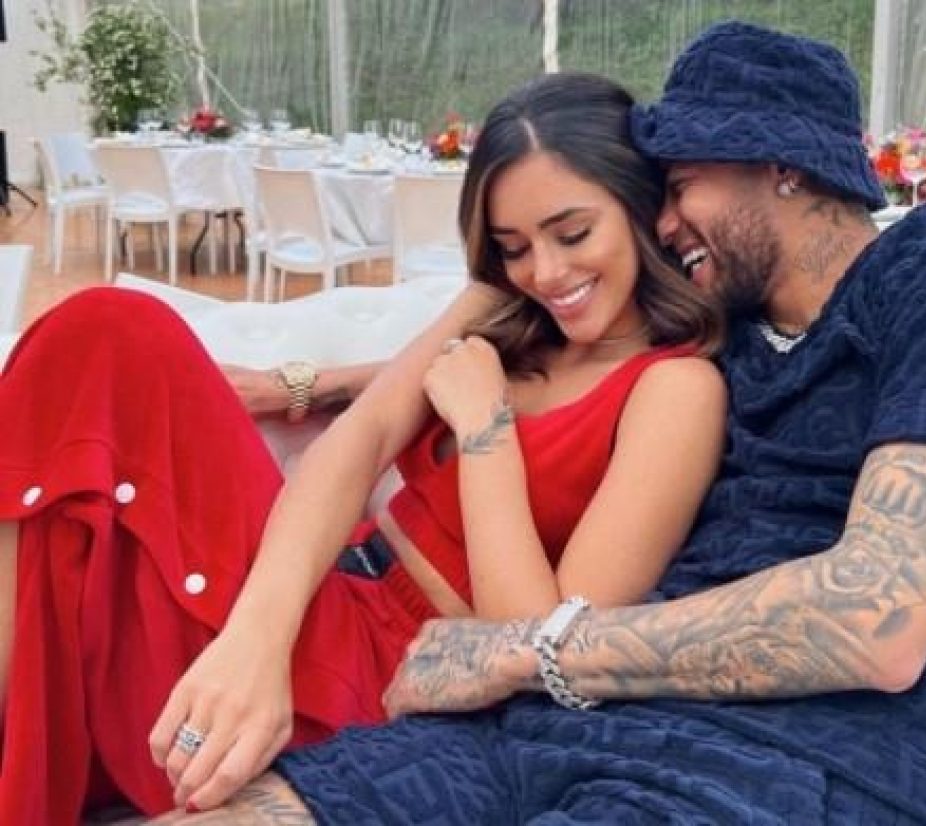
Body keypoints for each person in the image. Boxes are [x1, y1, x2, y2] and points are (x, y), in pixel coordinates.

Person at [178, 20, 926, 825]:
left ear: (783, 168)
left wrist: (523, 651)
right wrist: (327, 381)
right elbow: (557, 358)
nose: (661, 223)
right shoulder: (734, 330)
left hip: (810, 769)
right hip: (562, 728)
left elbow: (877, 619)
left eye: (682, 185)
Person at [0, 73, 726, 823]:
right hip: (313, 591)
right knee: (105, 336)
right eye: (514, 247)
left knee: (105, 349)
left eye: (572, 234)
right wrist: (256, 643)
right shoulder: (505, 308)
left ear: (641, 208)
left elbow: (540, 650)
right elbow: (361, 440)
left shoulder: (678, 391)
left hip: (392, 673)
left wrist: (485, 432)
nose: (545, 272)